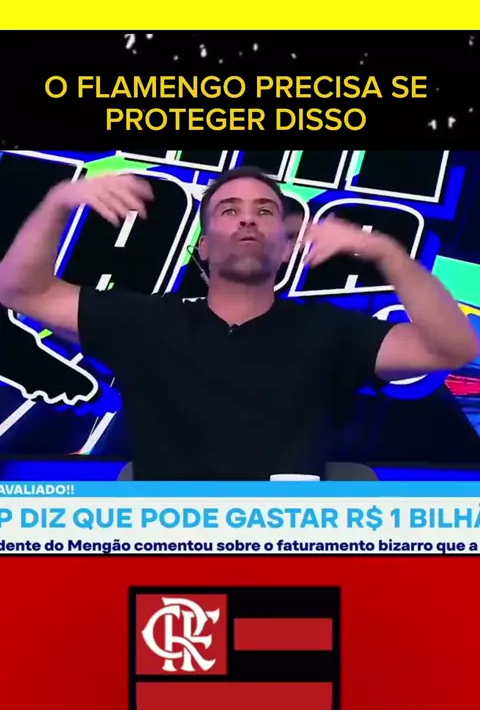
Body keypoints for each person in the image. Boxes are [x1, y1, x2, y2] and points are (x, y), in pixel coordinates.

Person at [0, 166, 478, 480]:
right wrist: (59, 202)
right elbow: (21, 291)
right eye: (229, 210)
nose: (248, 220)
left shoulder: (334, 331)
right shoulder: (143, 320)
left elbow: (452, 348)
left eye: (265, 211)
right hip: (164, 543)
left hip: (291, 545)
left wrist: (388, 254)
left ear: (287, 248)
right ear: (204, 247)